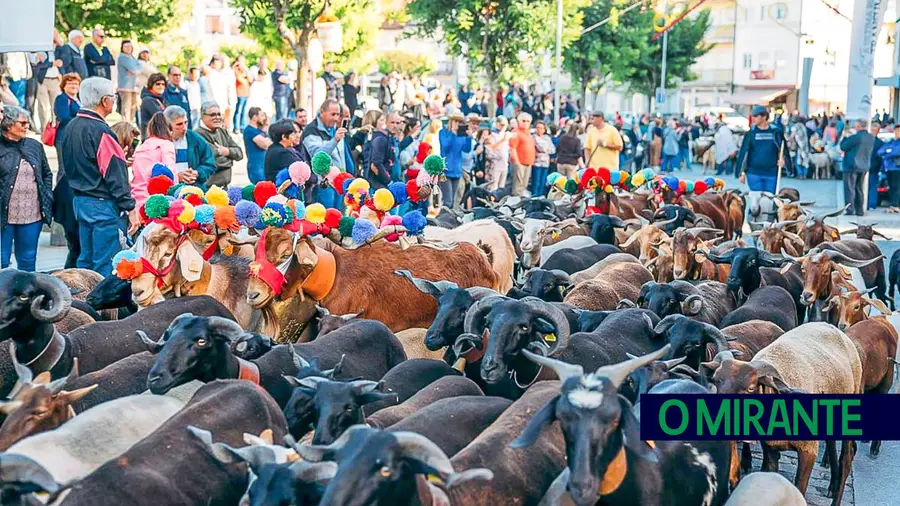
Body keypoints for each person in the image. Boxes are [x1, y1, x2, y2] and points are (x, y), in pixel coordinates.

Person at [57, 78, 137, 276]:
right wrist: (130, 206)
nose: (115, 100)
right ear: (105, 101)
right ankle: (102, 307)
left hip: (80, 200)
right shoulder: (101, 131)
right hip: (101, 204)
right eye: (113, 97)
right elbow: (114, 174)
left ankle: (84, 302)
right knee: (104, 263)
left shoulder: (71, 126)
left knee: (86, 259)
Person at [0, 106, 54, 271]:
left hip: (32, 214)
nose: (27, 126)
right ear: (9, 125)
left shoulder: (34, 146)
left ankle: (28, 294)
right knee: (2, 260)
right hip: (4, 215)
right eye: (22, 123)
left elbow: (47, 174)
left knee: (28, 260)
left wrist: (46, 196)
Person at [736, 105, 793, 195]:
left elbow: (783, 150)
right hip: (753, 173)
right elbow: (743, 152)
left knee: (769, 201)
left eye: (756, 116)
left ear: (764, 117)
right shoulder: (751, 133)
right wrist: (740, 172)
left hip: (771, 173)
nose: (753, 118)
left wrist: (784, 162)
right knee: (757, 201)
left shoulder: (776, 132)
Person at [163, 105, 216, 187]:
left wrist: (198, 173)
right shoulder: (159, 143)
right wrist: (176, 177)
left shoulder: (195, 139)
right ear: (168, 125)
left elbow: (209, 163)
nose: (184, 127)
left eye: (185, 122)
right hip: (168, 190)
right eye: (179, 124)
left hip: (194, 188)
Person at [130, 112, 175, 208]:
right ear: (168, 130)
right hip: (156, 203)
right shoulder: (166, 145)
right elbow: (170, 174)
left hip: (136, 200)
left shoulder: (140, 148)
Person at [196, 101, 243, 188]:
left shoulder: (222, 131)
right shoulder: (197, 135)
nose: (217, 117)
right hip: (207, 189)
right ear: (202, 116)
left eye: (219, 114)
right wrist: (230, 160)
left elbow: (240, 153)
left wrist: (228, 151)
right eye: (213, 115)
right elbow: (214, 162)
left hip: (225, 187)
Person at [839, 119, 875, 216]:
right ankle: (860, 210)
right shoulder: (870, 137)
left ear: (859, 126)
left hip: (851, 166)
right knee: (859, 188)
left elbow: (843, 146)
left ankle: (850, 209)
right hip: (864, 166)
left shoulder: (856, 137)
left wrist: (845, 136)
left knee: (849, 188)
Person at [438, 113, 473, 206]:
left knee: (453, 201)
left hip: (457, 170)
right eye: (456, 121)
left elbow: (467, 149)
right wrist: (452, 134)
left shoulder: (461, 134)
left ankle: (449, 219)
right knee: (447, 201)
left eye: (460, 121)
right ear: (451, 121)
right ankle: (443, 219)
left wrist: (469, 137)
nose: (458, 123)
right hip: (445, 170)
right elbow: (445, 147)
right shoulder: (443, 132)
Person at [364, 113, 395, 190]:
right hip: (378, 184)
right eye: (381, 120)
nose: (384, 122)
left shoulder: (383, 138)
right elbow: (376, 163)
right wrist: (388, 181)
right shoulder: (379, 139)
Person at [508, 112, 536, 196]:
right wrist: (517, 162)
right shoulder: (516, 133)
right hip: (519, 162)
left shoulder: (529, 134)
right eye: (523, 121)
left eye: (528, 121)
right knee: (517, 186)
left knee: (524, 185)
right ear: (519, 121)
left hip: (528, 163)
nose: (525, 123)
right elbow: (512, 148)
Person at [116, 40, 143, 124]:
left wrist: (135, 69)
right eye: (126, 47)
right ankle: (125, 126)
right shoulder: (122, 57)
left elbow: (140, 67)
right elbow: (135, 69)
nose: (128, 48)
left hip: (133, 87)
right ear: (122, 48)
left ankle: (130, 125)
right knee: (126, 109)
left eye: (130, 46)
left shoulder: (132, 57)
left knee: (133, 108)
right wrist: (134, 69)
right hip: (125, 87)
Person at [243, 107, 271, 183]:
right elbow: (265, 144)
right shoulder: (249, 130)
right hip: (256, 168)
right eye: (261, 115)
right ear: (255, 117)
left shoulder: (259, 131)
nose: (264, 118)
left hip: (263, 166)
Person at [877, 124, 900, 213]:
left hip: (897, 168)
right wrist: (888, 151)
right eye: (896, 131)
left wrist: (888, 153)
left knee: (896, 187)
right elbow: (880, 152)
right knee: (891, 187)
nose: (897, 133)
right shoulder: (891, 142)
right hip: (889, 168)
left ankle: (895, 205)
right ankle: (893, 205)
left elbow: (896, 152)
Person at [162, 66, 191, 130]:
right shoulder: (164, 92)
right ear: (169, 76)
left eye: (179, 75)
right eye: (175, 75)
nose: (177, 77)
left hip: (185, 128)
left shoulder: (183, 92)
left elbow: (188, 112)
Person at [139, 73, 167, 140]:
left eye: (163, 84)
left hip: (159, 135)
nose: (161, 86)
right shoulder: (148, 100)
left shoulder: (161, 99)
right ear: (151, 85)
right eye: (158, 84)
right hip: (150, 138)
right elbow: (161, 116)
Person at [532, 120, 556, 197]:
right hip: (537, 162)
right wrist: (545, 149)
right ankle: (535, 195)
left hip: (546, 162)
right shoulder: (534, 137)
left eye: (541, 128)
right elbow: (540, 147)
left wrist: (545, 149)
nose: (539, 129)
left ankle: (541, 195)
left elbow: (552, 149)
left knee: (543, 180)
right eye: (538, 128)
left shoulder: (547, 138)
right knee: (536, 180)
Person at [869, 122, 885, 211]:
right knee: (872, 186)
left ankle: (870, 203)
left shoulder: (880, 143)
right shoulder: (880, 143)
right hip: (873, 167)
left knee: (871, 186)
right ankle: (871, 204)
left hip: (873, 168)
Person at [233, 58, 251, 133]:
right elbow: (242, 81)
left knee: (244, 111)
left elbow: (250, 80)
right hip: (239, 94)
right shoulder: (236, 71)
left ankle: (242, 127)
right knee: (238, 111)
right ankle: (236, 127)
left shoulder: (245, 72)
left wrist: (246, 71)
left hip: (246, 93)